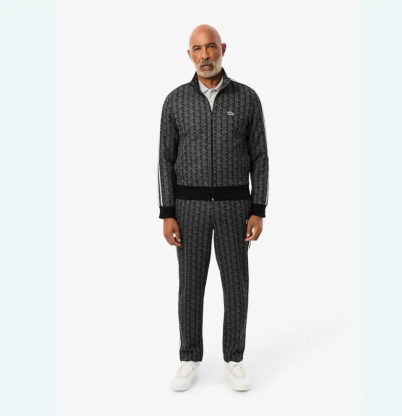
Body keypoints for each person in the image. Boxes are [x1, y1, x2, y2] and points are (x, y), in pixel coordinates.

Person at [157, 24, 269, 392]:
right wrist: (167, 212)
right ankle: (189, 357)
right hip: (188, 209)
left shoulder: (247, 98)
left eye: (210, 47)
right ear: (189, 54)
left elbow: (260, 157)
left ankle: (234, 358)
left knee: (236, 284)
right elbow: (164, 160)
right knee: (190, 285)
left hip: (236, 207)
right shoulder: (175, 101)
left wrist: (258, 207)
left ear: (222, 48)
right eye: (197, 49)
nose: (205, 55)